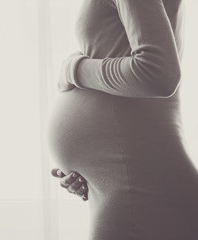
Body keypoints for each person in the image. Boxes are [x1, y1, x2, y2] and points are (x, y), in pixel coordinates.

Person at [44, 0, 198, 239]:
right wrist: (95, 171)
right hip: (127, 182)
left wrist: (74, 70)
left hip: (141, 185)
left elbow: (158, 73)